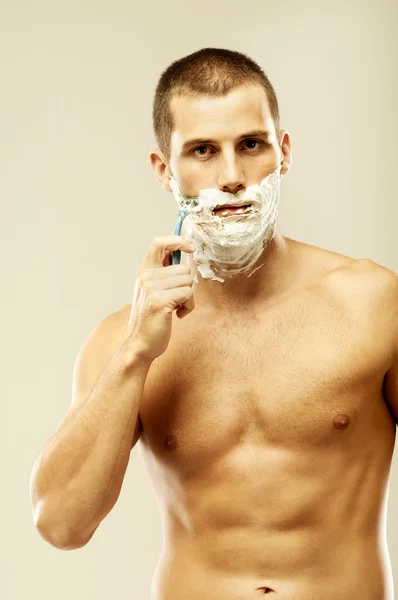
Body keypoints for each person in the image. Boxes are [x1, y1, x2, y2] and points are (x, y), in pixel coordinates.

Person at [30, 48, 398, 600]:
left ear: (284, 152)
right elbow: (61, 525)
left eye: (251, 145)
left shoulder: (374, 304)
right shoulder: (121, 339)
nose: (230, 176)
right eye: (202, 151)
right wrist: (136, 352)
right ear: (164, 170)